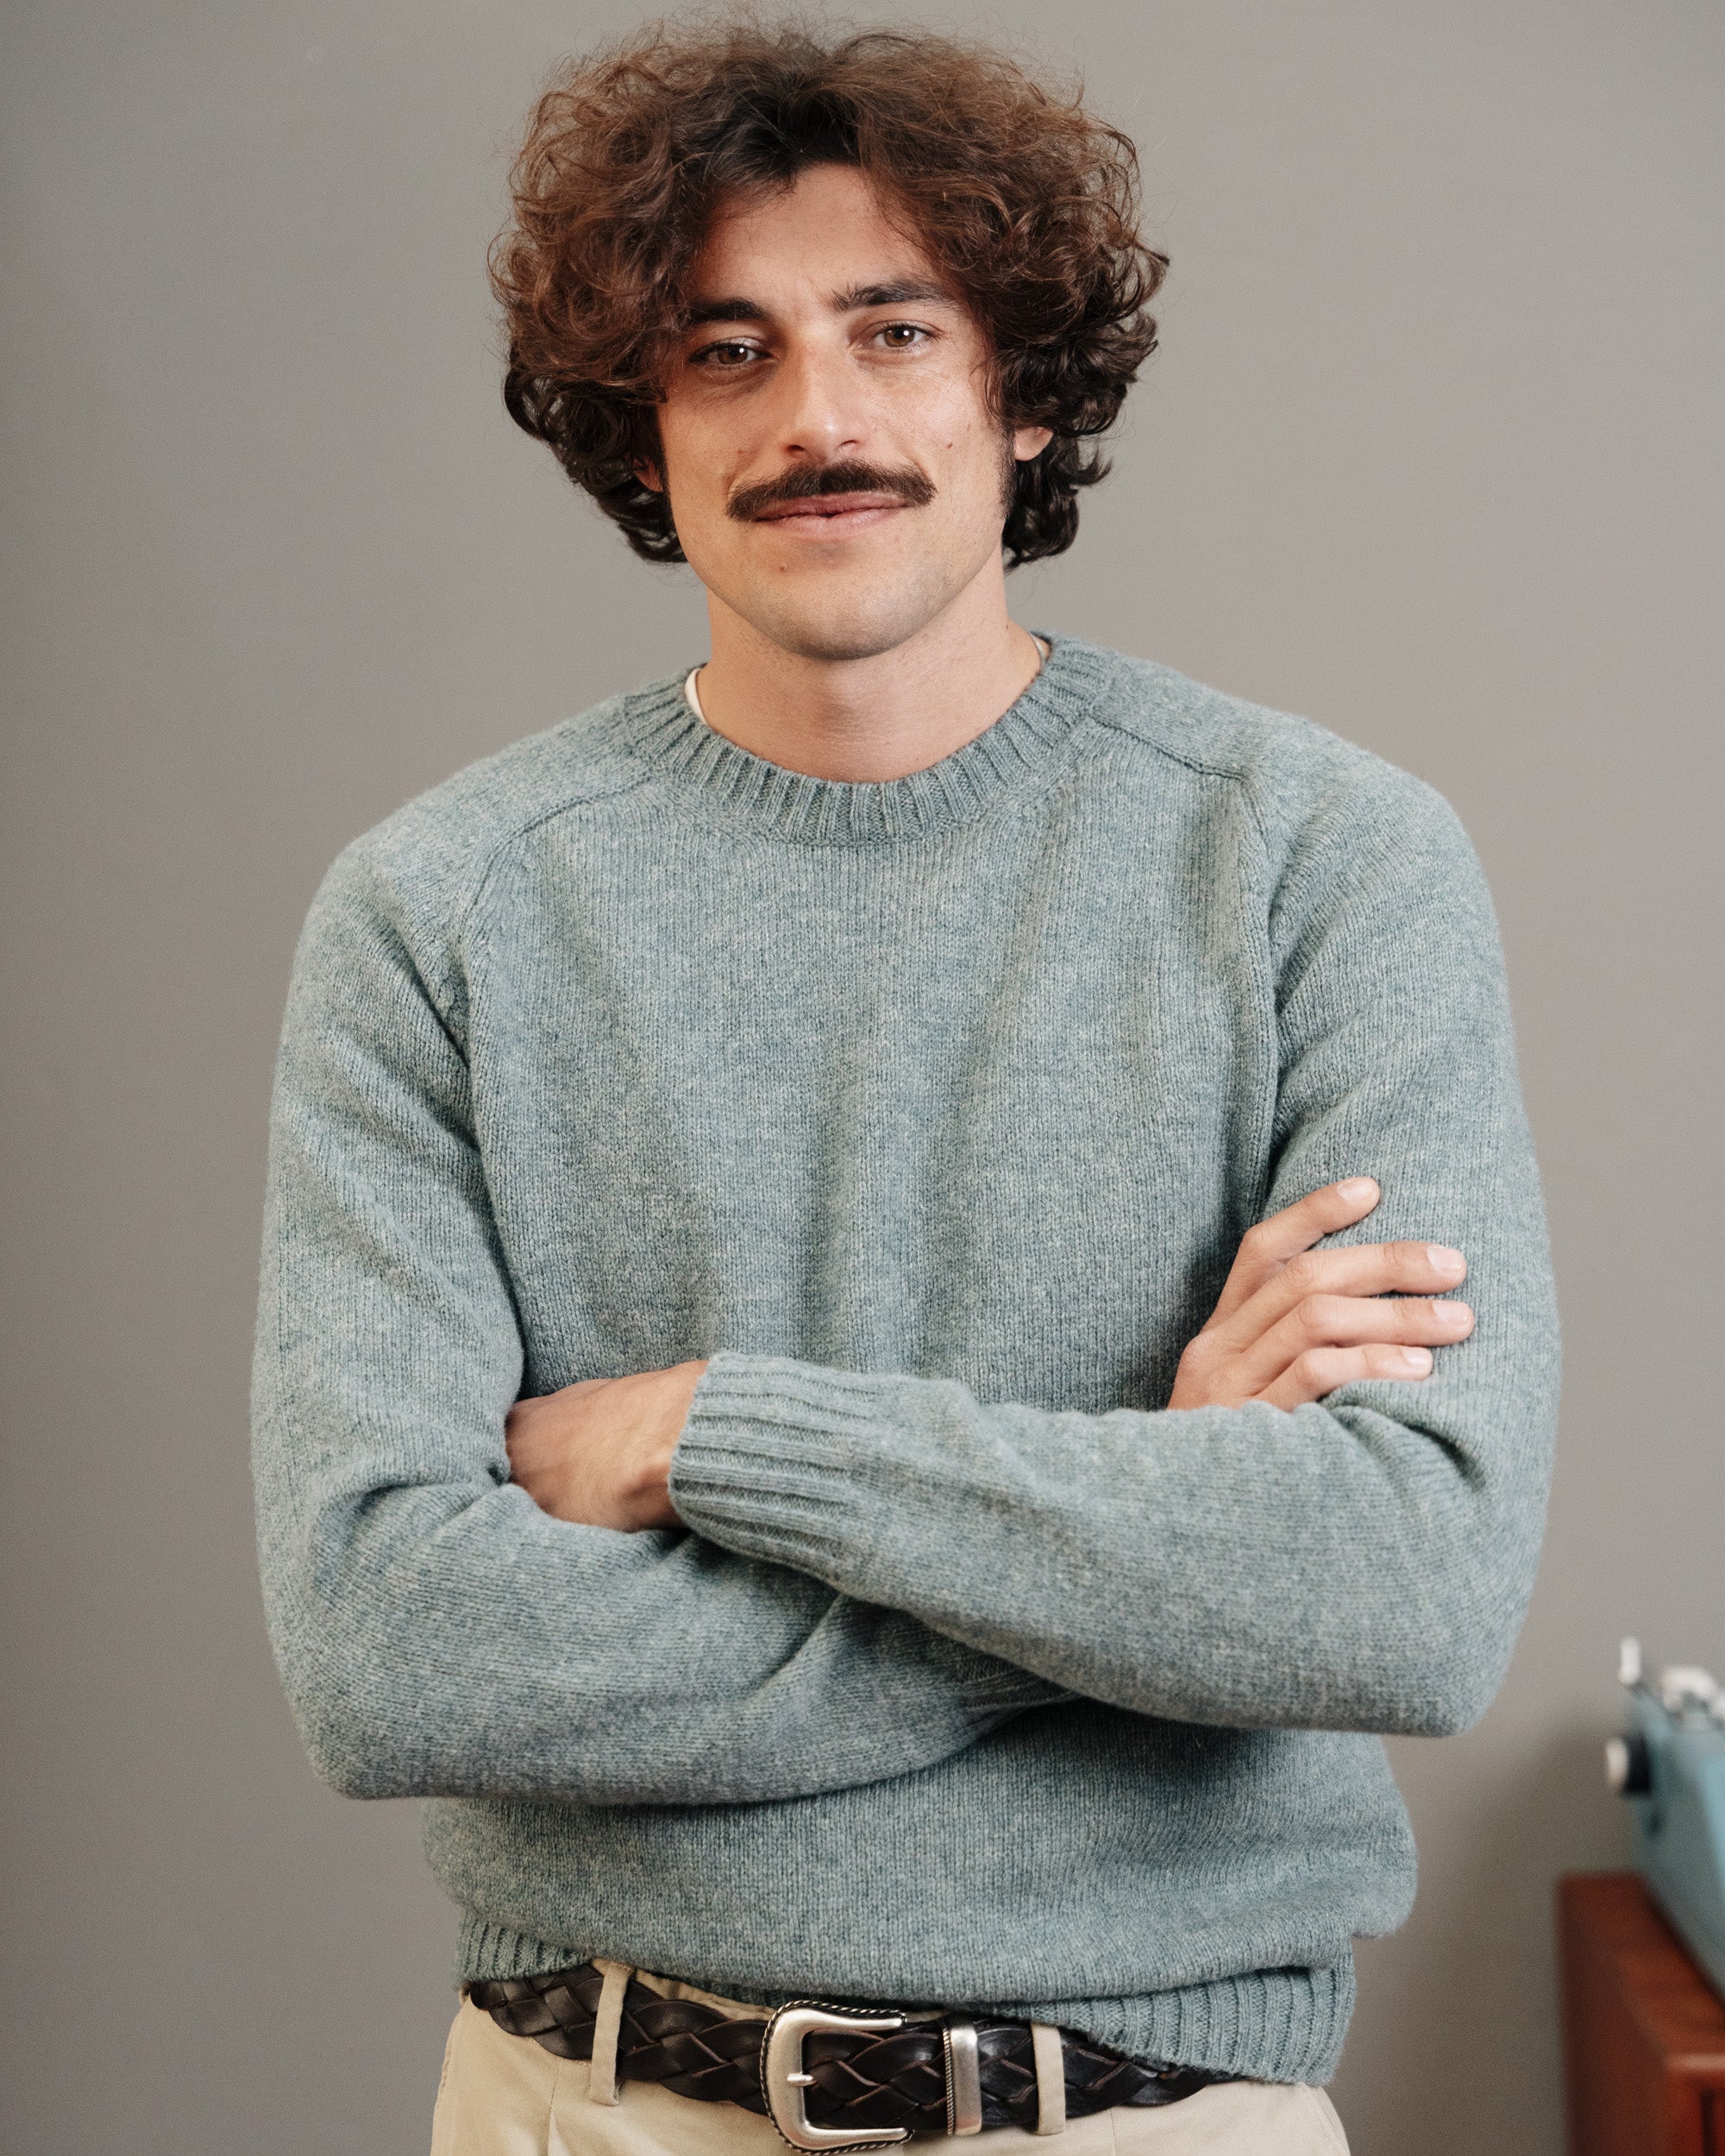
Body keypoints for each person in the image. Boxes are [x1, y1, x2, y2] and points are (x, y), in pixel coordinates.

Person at [251, 21, 1559, 2155]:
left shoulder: (1323, 859)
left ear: (1023, 387)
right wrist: (1144, 1517)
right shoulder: (440, 911)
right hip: (583, 2104)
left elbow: (1400, 1594)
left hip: (1149, 2118)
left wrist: (713, 1432)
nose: (818, 419)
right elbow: (390, 1647)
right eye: (725, 352)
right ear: (639, 424)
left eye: (895, 330)